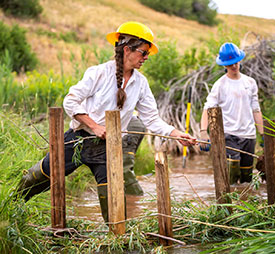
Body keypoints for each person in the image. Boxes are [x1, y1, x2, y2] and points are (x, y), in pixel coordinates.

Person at [17, 21, 196, 222]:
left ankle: (117, 239)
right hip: (78, 139)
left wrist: (177, 134)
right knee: (39, 177)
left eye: (147, 54)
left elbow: (152, 119)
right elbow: (71, 101)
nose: (146, 58)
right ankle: (12, 208)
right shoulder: (99, 73)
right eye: (143, 53)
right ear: (127, 49)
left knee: (114, 204)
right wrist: (94, 126)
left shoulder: (141, 83)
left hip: (108, 148)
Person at [199, 42, 263, 185]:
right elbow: (207, 108)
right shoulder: (220, 85)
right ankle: (229, 204)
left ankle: (245, 204)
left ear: (239, 60)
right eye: (229, 64)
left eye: (235, 62)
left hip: (249, 135)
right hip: (229, 134)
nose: (234, 66)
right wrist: (204, 131)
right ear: (224, 65)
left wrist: (263, 133)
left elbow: (256, 109)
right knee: (232, 175)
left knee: (247, 179)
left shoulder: (250, 82)